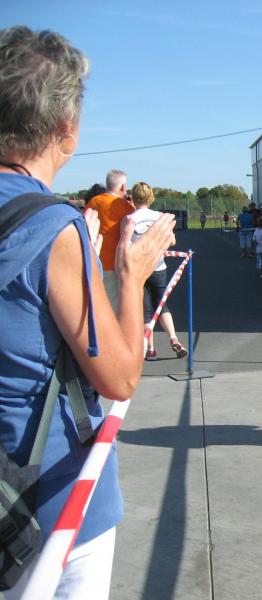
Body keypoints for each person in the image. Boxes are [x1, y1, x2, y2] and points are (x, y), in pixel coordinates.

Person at [0, 26, 175, 599]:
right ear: (66, 130)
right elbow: (119, 378)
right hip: (43, 504)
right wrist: (132, 277)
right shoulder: (52, 225)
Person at [129, 182, 188, 360]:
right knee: (161, 304)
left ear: (133, 198)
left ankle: (151, 349)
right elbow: (172, 241)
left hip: (139, 269)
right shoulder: (160, 217)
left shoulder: (129, 218)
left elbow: (127, 245)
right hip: (158, 266)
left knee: (145, 310)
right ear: (151, 198)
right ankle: (173, 338)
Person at [85, 169, 134, 313]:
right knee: (114, 306)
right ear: (123, 187)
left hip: (94, 260)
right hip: (114, 263)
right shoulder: (124, 206)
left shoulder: (93, 202)